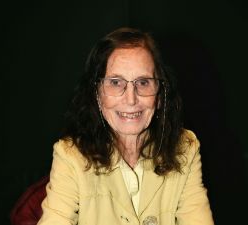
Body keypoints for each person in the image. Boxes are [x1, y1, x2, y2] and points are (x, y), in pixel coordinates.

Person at [37, 27, 214, 225]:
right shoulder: (71, 156)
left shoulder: (185, 148)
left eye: (143, 82)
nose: (131, 99)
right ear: (97, 93)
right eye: (115, 82)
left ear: (160, 94)